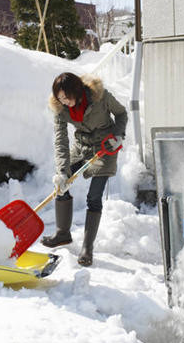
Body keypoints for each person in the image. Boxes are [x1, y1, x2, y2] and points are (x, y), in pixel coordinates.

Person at [41, 72, 127, 266]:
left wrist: (117, 135)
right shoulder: (61, 109)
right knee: (60, 185)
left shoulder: (100, 96)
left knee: (94, 197)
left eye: (66, 97)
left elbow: (121, 114)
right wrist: (62, 172)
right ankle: (63, 233)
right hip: (82, 148)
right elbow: (61, 140)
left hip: (106, 147)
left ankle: (87, 248)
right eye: (59, 98)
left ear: (77, 91)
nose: (63, 101)